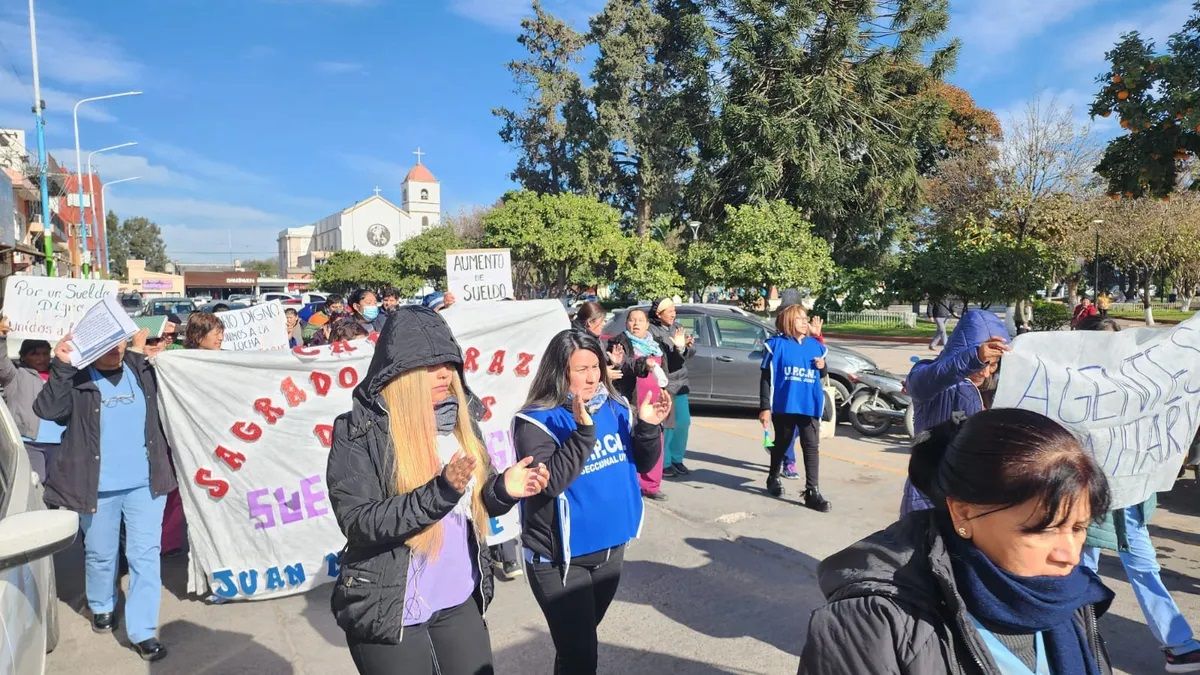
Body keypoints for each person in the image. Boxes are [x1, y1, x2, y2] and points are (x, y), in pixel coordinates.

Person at [799, 408, 1115, 675]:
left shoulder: (1071, 599)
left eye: (1078, 528)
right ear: (963, 513)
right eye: (1041, 530)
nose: (1070, 555)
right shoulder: (870, 626)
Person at [326, 305, 549, 675]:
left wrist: (504, 490)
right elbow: (358, 522)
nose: (444, 373)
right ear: (401, 372)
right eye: (430, 366)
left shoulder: (461, 422)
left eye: (449, 363)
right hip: (389, 605)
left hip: (458, 599)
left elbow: (480, 503)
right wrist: (440, 492)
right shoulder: (358, 432)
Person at [514, 329, 670, 674]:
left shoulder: (614, 405)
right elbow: (549, 483)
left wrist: (646, 427)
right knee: (581, 655)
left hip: (611, 550)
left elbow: (640, 465)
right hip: (559, 561)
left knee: (577, 647)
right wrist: (583, 434)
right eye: (580, 369)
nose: (591, 376)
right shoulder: (536, 420)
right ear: (559, 372)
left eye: (595, 367)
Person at [34, 329, 176, 661]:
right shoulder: (77, 376)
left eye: (120, 340)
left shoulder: (144, 369)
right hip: (95, 486)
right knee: (100, 554)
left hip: (146, 483)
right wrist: (62, 365)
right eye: (105, 342)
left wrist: (168, 358)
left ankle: (143, 631)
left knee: (145, 556)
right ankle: (101, 603)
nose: (114, 349)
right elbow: (47, 409)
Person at [1076, 316, 1200, 671]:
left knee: (1141, 566)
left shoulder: (1139, 385)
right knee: (1084, 567)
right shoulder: (1078, 387)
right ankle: (1081, 635)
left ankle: (1177, 644)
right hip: (1089, 495)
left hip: (1127, 499)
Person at [900, 309, 1009, 516]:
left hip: (974, 498)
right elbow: (923, 383)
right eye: (982, 364)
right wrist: (974, 357)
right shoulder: (929, 375)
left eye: (993, 365)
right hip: (929, 498)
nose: (986, 372)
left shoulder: (997, 390)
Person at [759, 304, 831, 511]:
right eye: (799, 319)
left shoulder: (815, 346)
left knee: (811, 446)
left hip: (810, 404)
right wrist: (765, 407)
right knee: (782, 443)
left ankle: (812, 491)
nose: (804, 322)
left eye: (805, 318)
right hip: (785, 404)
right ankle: (773, 476)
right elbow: (766, 378)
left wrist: (822, 366)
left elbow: (824, 372)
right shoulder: (776, 345)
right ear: (789, 321)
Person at [607, 309, 668, 501]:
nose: (636, 324)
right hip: (631, 401)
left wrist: (683, 348)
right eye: (632, 320)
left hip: (654, 401)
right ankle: (632, 482)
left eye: (640, 320)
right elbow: (626, 364)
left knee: (653, 440)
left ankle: (651, 485)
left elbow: (670, 368)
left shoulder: (656, 344)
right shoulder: (618, 342)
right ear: (626, 323)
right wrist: (645, 363)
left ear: (647, 324)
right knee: (630, 441)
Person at [0, 317, 62, 482]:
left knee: (57, 487)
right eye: (35, 354)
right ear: (23, 357)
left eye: (45, 353)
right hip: (29, 442)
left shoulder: (61, 374)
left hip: (61, 442)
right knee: (35, 483)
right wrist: (1, 338)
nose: (41, 358)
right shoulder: (15, 376)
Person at [648, 298, 695, 478]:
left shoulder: (677, 327)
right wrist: (675, 348)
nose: (673, 314)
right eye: (669, 311)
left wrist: (685, 347)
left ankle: (677, 458)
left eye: (674, 310)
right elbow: (659, 357)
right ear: (658, 314)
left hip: (681, 381)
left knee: (683, 422)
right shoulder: (652, 331)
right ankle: (665, 461)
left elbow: (687, 354)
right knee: (667, 425)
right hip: (665, 382)